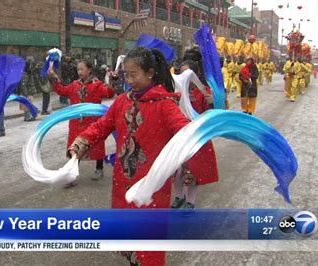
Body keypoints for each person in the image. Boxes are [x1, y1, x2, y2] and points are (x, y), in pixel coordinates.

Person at [68, 47, 193, 266]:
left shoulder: (165, 104)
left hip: (150, 187)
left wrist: (192, 158)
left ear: (150, 73)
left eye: (134, 75)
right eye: (126, 75)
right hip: (122, 183)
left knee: (148, 244)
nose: (129, 80)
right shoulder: (122, 102)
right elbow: (102, 126)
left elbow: (186, 133)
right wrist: (82, 142)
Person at [49, 59, 115, 185]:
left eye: (82, 69)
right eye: (78, 69)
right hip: (76, 124)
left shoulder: (97, 85)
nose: (79, 72)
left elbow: (108, 93)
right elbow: (62, 90)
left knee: (96, 144)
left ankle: (99, 168)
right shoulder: (74, 85)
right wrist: (54, 79)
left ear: (89, 70)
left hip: (92, 122)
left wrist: (112, 82)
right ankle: (71, 175)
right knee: (75, 148)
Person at [170, 55, 219, 210]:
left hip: (198, 136)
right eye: (182, 73)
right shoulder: (175, 91)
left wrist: (213, 102)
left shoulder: (204, 92)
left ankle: (190, 201)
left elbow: (213, 115)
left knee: (193, 171)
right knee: (176, 170)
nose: (185, 77)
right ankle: (179, 196)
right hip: (179, 134)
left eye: (188, 73)